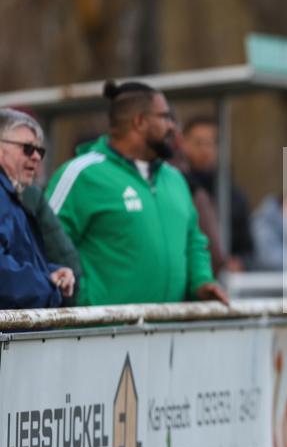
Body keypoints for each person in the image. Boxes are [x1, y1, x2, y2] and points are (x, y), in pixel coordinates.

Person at [46, 80, 227, 306]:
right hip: (102, 334)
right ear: (139, 121)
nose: (172, 127)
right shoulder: (82, 174)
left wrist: (201, 282)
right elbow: (45, 240)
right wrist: (83, 297)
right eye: (165, 117)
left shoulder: (175, 179)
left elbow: (194, 241)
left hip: (169, 333)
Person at [0, 108, 75, 308]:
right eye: (27, 148)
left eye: (39, 150)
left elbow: (14, 259)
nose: (36, 157)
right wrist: (49, 288)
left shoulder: (11, 195)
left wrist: (49, 273)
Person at [181, 116, 255, 271]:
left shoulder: (235, 197)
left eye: (211, 143)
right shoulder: (177, 188)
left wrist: (239, 262)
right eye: (198, 143)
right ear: (184, 143)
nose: (205, 150)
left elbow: (248, 251)